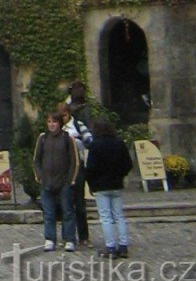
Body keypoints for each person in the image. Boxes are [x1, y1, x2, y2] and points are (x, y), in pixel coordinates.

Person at [83, 117, 133, 258]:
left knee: (105, 217)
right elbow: (128, 164)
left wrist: (91, 183)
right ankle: (123, 246)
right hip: (116, 184)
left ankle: (110, 247)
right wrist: (120, 175)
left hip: (101, 186)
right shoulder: (119, 143)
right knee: (119, 216)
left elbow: (91, 168)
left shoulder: (95, 145)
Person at [33, 109, 79, 250]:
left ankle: (69, 239)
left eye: (54, 122)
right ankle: (50, 239)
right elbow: (36, 159)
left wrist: (71, 179)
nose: (51, 125)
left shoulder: (67, 138)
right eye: (49, 122)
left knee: (67, 212)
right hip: (46, 182)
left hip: (63, 182)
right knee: (49, 213)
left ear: (59, 123)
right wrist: (39, 175)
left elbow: (74, 161)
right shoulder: (43, 138)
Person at [61, 86, 94, 247]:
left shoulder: (78, 125)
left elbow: (89, 141)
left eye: (65, 114)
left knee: (80, 204)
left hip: (78, 167)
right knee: (65, 204)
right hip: (63, 169)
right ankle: (68, 237)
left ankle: (83, 236)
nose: (63, 117)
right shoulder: (57, 128)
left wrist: (76, 141)